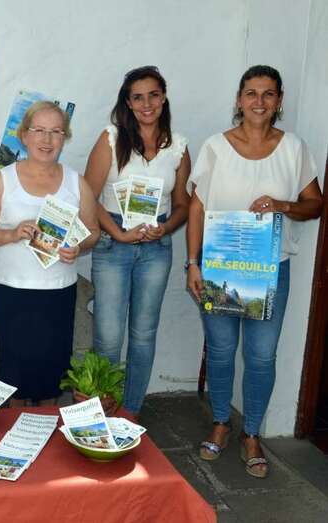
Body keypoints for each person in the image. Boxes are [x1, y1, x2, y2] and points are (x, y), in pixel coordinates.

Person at [187, 65, 322, 478]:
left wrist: (282, 205)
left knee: (261, 355)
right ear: (239, 99)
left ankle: (252, 434)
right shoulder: (216, 147)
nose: (259, 101)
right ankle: (221, 423)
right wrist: (192, 263)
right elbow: (197, 208)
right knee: (221, 350)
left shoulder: (293, 148)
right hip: (220, 267)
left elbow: (315, 204)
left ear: (279, 101)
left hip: (269, 269)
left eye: (268, 94)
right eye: (251, 93)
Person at [0, 101, 99, 406]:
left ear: (65, 138)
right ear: (24, 135)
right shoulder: (4, 179)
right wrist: (11, 234)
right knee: (14, 378)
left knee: (53, 376)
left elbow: (93, 231)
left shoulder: (76, 182)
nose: (47, 139)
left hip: (58, 292)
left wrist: (78, 247)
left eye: (56, 131)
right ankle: (14, 433)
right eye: (39, 130)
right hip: (14, 291)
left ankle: (48, 431)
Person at [84, 66, 191, 417]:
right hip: (113, 242)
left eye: (153, 95)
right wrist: (117, 233)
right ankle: (103, 413)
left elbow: (182, 205)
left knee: (144, 334)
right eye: (138, 97)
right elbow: (88, 196)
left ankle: (130, 411)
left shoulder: (178, 146)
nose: (147, 104)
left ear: (164, 97)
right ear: (127, 103)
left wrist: (166, 227)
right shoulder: (111, 138)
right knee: (108, 337)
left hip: (156, 247)